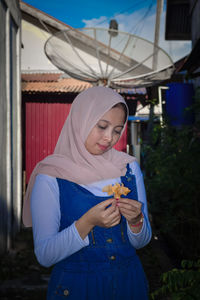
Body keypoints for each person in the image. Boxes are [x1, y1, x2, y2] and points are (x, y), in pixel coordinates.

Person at [23, 86, 152, 300]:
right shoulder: (51, 175)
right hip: (76, 288)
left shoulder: (128, 168)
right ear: (81, 120)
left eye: (117, 130)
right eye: (102, 126)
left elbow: (141, 242)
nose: (109, 138)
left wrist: (137, 221)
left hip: (129, 284)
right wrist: (87, 222)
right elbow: (45, 256)